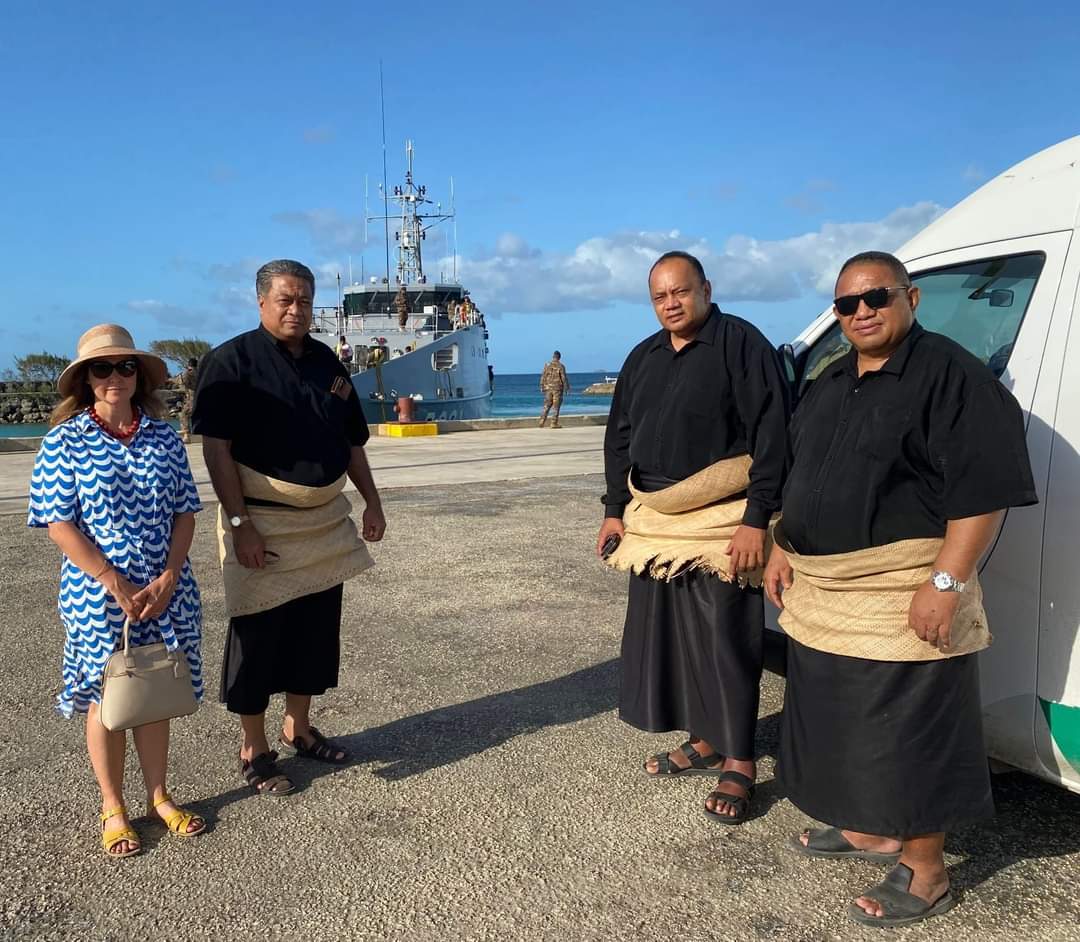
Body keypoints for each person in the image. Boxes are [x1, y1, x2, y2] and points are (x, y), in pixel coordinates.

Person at [763, 251, 1038, 927]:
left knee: (911, 729)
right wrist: (778, 544)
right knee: (842, 721)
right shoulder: (832, 381)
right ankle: (868, 829)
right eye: (846, 305)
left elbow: (983, 492)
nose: (861, 313)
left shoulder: (952, 377)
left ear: (910, 297)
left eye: (875, 298)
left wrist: (947, 580)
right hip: (827, 591)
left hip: (903, 584)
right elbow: (798, 477)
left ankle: (925, 868)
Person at [599, 251, 789, 823]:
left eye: (681, 292)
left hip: (722, 518)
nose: (671, 304)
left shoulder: (741, 344)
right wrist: (614, 511)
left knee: (725, 635)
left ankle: (740, 759)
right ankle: (705, 738)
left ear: (706, 288)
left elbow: (774, 432)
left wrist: (758, 517)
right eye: (660, 297)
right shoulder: (644, 356)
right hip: (657, 520)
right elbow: (619, 438)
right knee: (674, 639)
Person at [192, 259, 386, 797]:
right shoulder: (230, 363)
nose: (296, 310)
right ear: (260, 302)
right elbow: (216, 450)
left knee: (316, 634)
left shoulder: (328, 362)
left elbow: (353, 443)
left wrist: (372, 502)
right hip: (262, 523)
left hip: (324, 523)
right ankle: (253, 747)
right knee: (257, 636)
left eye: (304, 300)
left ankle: (298, 726)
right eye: (285, 300)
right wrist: (240, 524)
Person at [28, 324, 206, 858]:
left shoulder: (163, 436)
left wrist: (170, 575)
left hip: (164, 587)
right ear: (84, 379)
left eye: (125, 367)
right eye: (101, 368)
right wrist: (113, 580)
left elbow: (184, 511)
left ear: (138, 376)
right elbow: (58, 523)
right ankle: (113, 805)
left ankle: (158, 796)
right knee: (106, 696)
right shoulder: (65, 440)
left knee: (153, 692)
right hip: (97, 592)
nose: (115, 377)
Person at [538, 351, 570, 428]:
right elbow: (563, 378)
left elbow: (543, 376)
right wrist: (566, 388)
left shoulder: (547, 365)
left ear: (553, 357)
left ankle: (542, 421)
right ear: (559, 357)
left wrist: (541, 386)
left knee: (547, 405)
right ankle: (553, 423)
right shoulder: (561, 366)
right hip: (557, 388)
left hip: (548, 388)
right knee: (556, 406)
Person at [179, 356, 198, 443]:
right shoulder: (201, 372)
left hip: (192, 397)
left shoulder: (188, 373)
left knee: (184, 414)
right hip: (202, 396)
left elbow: (184, 382)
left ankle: (186, 436)